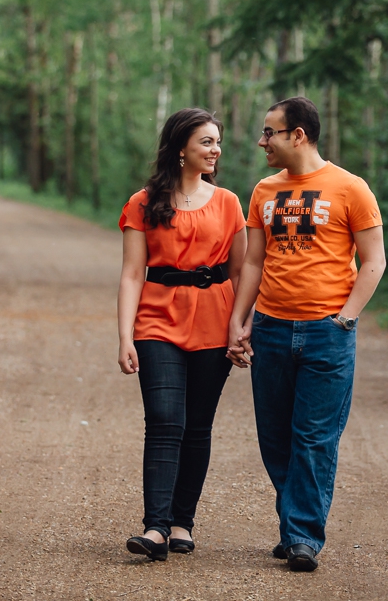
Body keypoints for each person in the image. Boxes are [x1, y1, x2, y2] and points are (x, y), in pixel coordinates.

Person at [227, 96, 386, 572]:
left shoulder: (350, 188)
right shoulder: (263, 190)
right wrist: (241, 318)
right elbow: (253, 261)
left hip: (327, 334)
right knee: (275, 437)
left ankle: (302, 536)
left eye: (270, 132)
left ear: (298, 135)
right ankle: (296, 523)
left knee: (314, 438)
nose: (262, 142)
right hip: (272, 329)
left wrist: (347, 317)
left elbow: (374, 261)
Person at [117, 107, 248, 561]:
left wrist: (241, 327)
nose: (215, 150)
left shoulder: (230, 202)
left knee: (197, 426)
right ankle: (154, 528)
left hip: (214, 319)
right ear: (180, 149)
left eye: (217, 142)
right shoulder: (142, 201)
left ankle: (181, 522)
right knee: (165, 419)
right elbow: (133, 273)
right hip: (156, 320)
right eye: (206, 142)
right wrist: (124, 336)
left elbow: (240, 271)